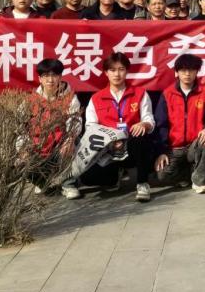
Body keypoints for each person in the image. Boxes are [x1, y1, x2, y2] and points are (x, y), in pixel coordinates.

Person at [66, 52, 154, 202]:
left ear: (127, 71)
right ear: (106, 73)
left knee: (142, 137)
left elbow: (149, 119)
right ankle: (115, 175)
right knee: (88, 178)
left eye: (121, 69)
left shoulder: (140, 93)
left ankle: (142, 183)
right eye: (112, 70)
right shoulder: (96, 98)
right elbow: (91, 127)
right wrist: (110, 141)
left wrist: (144, 124)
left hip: (131, 145)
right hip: (107, 149)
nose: (117, 74)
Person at [154, 54, 205, 193]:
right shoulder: (167, 94)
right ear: (176, 72)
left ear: (197, 72)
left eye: (191, 70)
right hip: (174, 148)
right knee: (162, 175)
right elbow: (161, 124)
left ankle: (200, 181)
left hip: (195, 145)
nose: (187, 74)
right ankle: (188, 173)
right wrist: (161, 151)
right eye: (183, 70)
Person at [25, 58, 82, 195]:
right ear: (40, 79)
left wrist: (70, 139)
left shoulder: (70, 98)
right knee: (21, 161)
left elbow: (75, 122)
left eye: (54, 75)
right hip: (38, 147)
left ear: (60, 77)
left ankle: (68, 184)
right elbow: (21, 127)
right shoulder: (31, 100)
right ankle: (42, 182)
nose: (50, 80)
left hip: (61, 145)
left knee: (72, 143)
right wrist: (23, 147)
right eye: (46, 76)